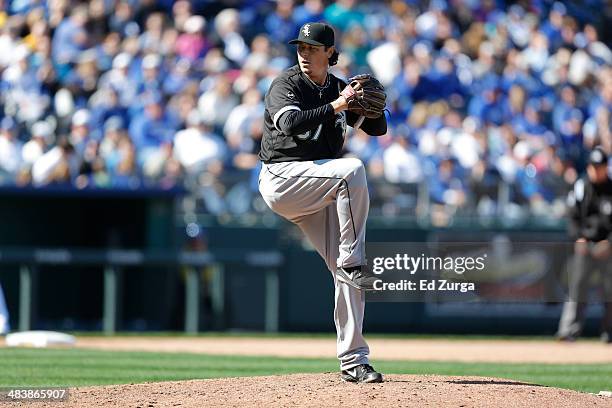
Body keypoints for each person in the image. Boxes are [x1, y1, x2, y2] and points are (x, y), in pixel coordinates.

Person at [258, 22, 386, 383]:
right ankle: (352, 258)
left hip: (317, 190)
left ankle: (354, 360)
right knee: (352, 169)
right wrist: (338, 104)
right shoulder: (287, 84)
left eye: (312, 48)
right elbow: (291, 124)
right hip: (282, 179)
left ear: (330, 52)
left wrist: (370, 106)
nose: (304, 53)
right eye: (301, 46)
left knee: (348, 277)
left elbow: (377, 130)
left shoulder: (339, 87)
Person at [557, 147, 612, 343]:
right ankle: (569, 330)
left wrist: (609, 243)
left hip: (608, 247)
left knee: (610, 289)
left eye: (601, 167)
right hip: (585, 245)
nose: (597, 170)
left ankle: (609, 332)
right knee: (577, 286)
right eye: (594, 166)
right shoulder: (582, 186)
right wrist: (578, 237)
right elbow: (572, 216)